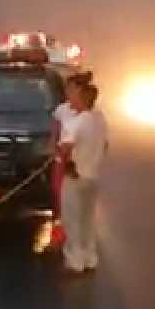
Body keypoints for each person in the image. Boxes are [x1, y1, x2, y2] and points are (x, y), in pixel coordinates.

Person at [59, 83, 109, 274]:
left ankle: (75, 262)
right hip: (92, 175)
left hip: (75, 176)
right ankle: (90, 258)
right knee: (87, 219)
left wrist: (60, 157)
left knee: (72, 220)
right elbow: (105, 145)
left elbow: (66, 146)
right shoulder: (100, 119)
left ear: (82, 98)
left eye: (73, 95)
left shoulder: (79, 121)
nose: (70, 99)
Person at [48, 71, 94, 249]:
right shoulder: (62, 110)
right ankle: (59, 233)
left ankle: (80, 242)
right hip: (63, 160)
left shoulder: (88, 112)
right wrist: (53, 150)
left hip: (81, 160)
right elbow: (55, 131)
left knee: (80, 202)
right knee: (59, 196)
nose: (68, 91)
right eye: (67, 88)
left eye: (71, 88)